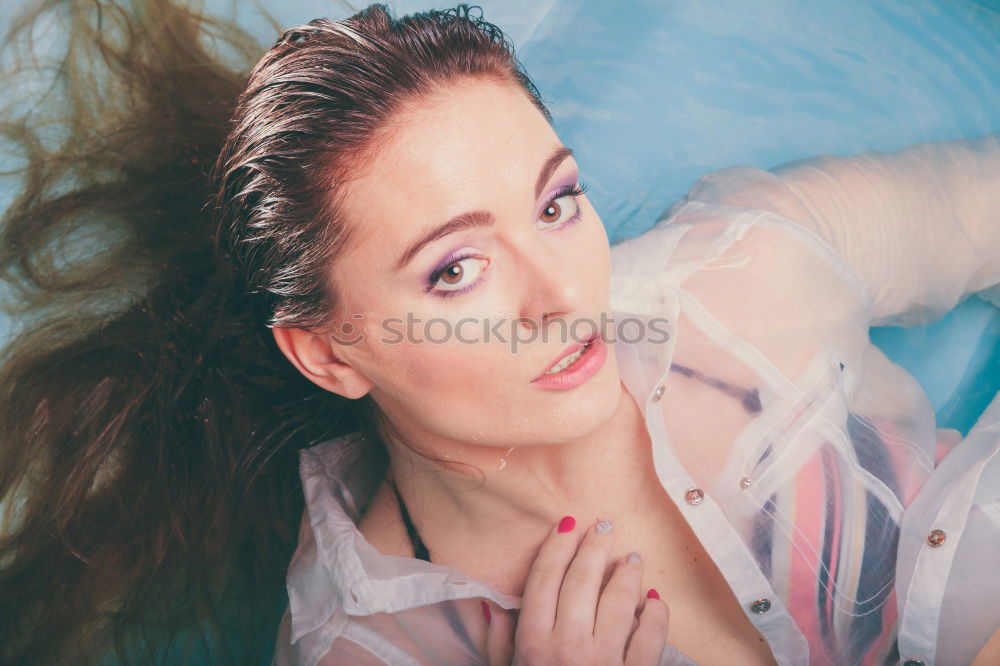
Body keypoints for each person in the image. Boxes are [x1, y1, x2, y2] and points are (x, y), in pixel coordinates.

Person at [0, 1, 998, 665]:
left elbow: (972, 210)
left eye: (557, 204)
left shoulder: (740, 276)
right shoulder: (372, 647)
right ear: (328, 351)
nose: (563, 297)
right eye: (455, 270)